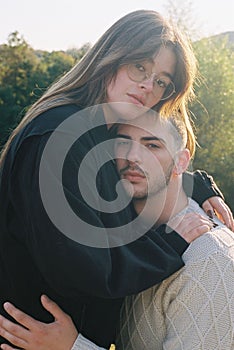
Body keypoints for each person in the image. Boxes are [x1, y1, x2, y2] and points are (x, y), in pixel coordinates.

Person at [0, 9, 232, 349]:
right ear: (111, 57)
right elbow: (86, 271)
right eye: (140, 66)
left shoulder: (92, 132)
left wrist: (194, 184)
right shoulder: (60, 136)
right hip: (32, 337)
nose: (148, 86)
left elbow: (130, 172)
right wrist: (173, 242)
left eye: (162, 81)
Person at [0, 113, 233, 350]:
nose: (132, 157)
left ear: (181, 162)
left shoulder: (210, 260)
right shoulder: (122, 234)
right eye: (122, 142)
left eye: (152, 145)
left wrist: (71, 347)